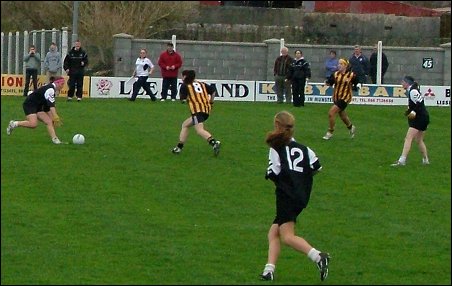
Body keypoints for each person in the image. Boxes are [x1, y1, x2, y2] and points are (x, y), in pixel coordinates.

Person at [260, 110, 330, 282]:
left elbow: (274, 171)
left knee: (287, 236)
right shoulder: (304, 149)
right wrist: (300, 179)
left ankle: (318, 256)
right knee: (273, 232)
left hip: (285, 196)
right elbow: (317, 167)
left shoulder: (276, 147)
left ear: (277, 125)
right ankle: (269, 270)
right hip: (301, 196)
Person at [171, 70, 221, 156]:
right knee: (185, 125)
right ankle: (179, 147)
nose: (182, 78)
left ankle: (214, 142)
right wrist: (211, 102)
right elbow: (213, 91)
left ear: (185, 77)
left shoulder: (185, 85)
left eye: (182, 76)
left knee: (199, 130)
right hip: (206, 110)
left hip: (197, 111)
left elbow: (182, 100)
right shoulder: (202, 84)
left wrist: (187, 99)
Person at [6, 76, 65, 144]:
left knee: (49, 121)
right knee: (33, 124)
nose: (62, 86)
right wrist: (55, 116)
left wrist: (53, 118)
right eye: (62, 84)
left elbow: (47, 107)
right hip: (30, 104)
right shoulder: (50, 90)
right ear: (56, 83)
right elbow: (51, 105)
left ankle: (55, 140)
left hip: (38, 106)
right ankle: (14, 123)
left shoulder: (51, 89)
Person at [391, 76, 430, 166]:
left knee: (408, 138)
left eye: (402, 82)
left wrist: (413, 111)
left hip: (419, 118)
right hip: (424, 117)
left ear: (407, 83)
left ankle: (402, 160)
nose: (401, 84)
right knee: (419, 140)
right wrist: (409, 110)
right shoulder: (412, 90)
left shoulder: (413, 91)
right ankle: (425, 160)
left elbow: (420, 103)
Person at [322, 58, 359, 140]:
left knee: (331, 113)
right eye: (339, 64)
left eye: (341, 64)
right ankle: (351, 127)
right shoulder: (335, 74)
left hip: (345, 98)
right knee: (342, 115)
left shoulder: (351, 75)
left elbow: (357, 82)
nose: (339, 65)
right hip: (336, 97)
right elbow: (330, 82)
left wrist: (356, 86)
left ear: (345, 65)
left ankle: (330, 132)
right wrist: (327, 82)